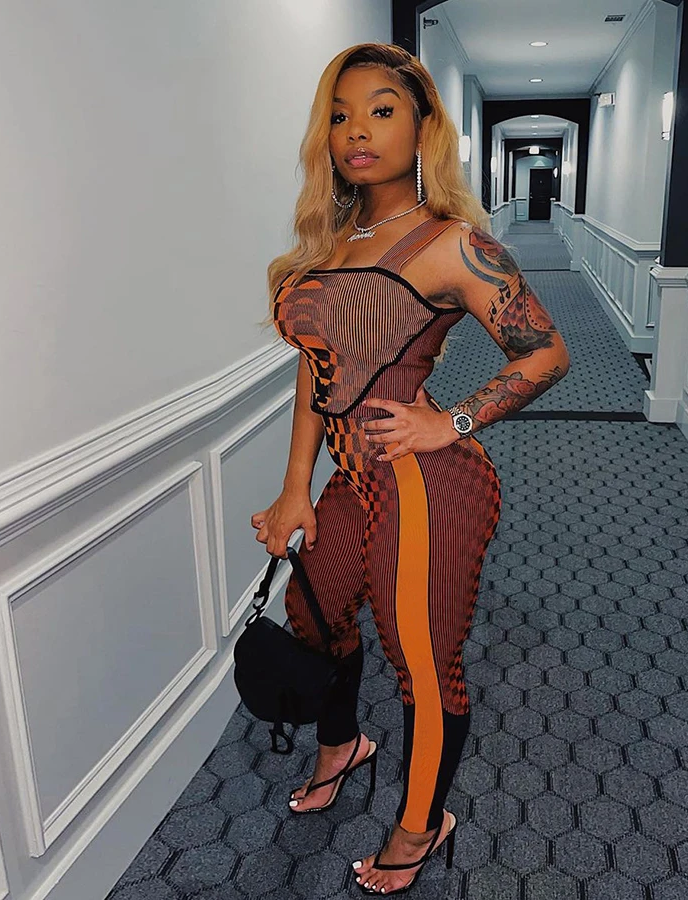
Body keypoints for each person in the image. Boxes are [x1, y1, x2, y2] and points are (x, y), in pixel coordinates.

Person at [251, 42, 570, 895]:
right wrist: (294, 486)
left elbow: (547, 354)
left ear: (423, 128)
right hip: (351, 479)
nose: (358, 130)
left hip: (427, 484)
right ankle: (342, 745)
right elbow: (315, 372)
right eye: (341, 115)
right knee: (313, 614)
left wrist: (450, 420)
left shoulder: (454, 246)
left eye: (382, 111)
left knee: (421, 660)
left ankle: (422, 824)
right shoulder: (332, 240)